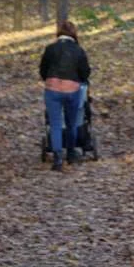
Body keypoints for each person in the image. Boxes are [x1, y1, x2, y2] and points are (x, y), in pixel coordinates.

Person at [40, 20, 91, 171]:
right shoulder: (78, 50)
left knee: (55, 124)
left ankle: (57, 158)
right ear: (74, 34)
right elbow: (85, 73)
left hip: (52, 89)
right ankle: (71, 153)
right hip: (71, 90)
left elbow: (43, 70)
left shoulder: (50, 49)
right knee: (71, 123)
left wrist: (49, 80)